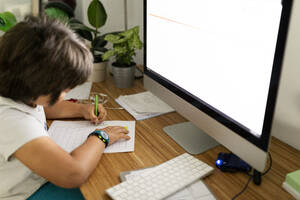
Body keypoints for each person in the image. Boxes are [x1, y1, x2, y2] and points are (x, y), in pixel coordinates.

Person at [0, 15, 130, 200]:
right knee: (104, 191)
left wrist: (81, 110)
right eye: (63, 88)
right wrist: (101, 137)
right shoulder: (10, 120)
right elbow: (73, 174)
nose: (66, 95)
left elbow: (42, 107)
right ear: (37, 83)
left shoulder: (18, 92)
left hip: (34, 179)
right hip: (24, 193)